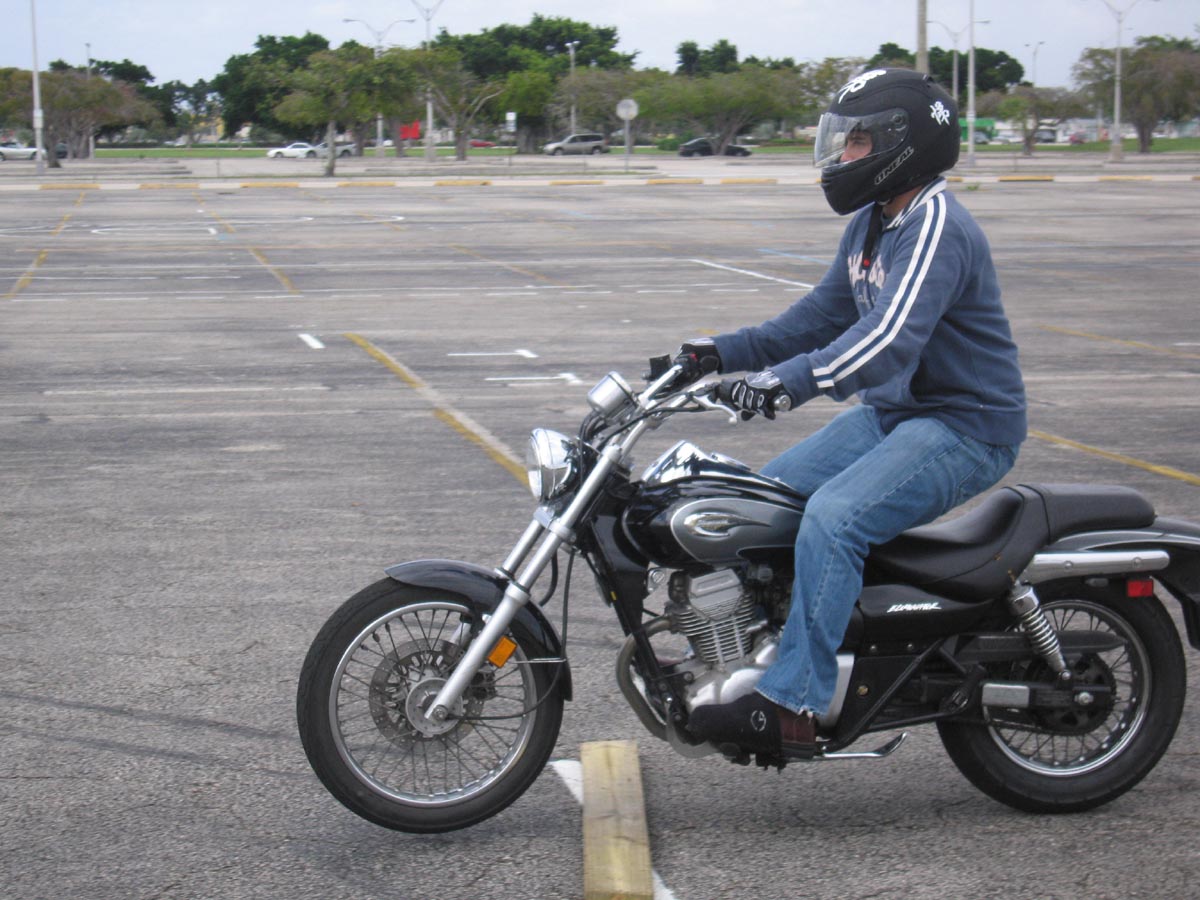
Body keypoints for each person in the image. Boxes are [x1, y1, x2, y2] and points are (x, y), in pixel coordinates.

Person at [674, 68, 1027, 758]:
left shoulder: (935, 226)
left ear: (903, 144)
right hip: (894, 415)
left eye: (858, 142)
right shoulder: (875, 222)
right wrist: (719, 352)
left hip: (965, 425)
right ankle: (759, 652)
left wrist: (782, 385)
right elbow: (820, 316)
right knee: (761, 503)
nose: (844, 155)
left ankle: (793, 702)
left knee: (834, 519)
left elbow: (888, 340)